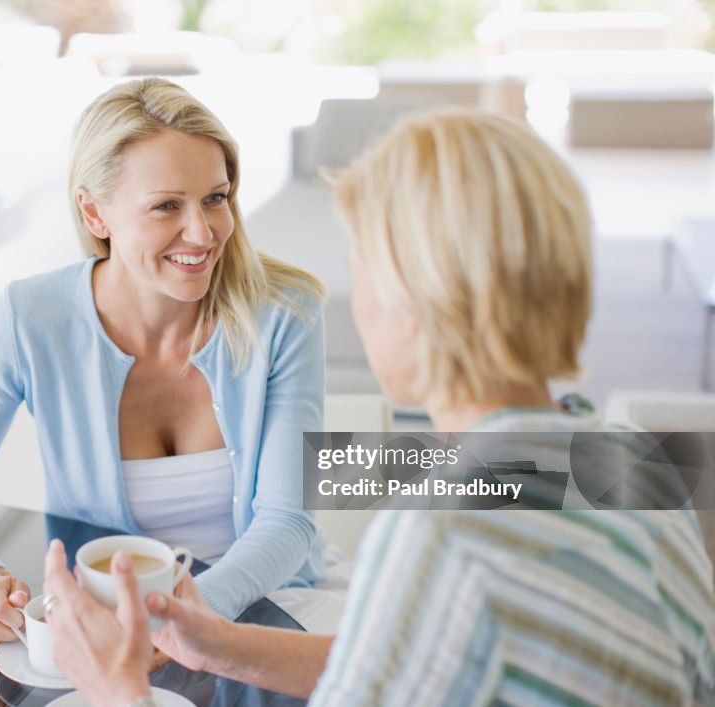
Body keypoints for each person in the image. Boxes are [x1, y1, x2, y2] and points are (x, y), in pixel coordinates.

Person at [41, 108, 715, 706]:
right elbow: (412, 655)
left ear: (417, 305)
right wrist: (217, 644)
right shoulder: (627, 459)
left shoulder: (444, 536)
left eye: (360, 268)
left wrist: (116, 689)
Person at [0, 77, 329, 655]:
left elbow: (288, 520)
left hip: (264, 609)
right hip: (105, 631)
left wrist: (190, 619)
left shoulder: (283, 314)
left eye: (215, 198)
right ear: (94, 212)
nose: (202, 233)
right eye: (166, 206)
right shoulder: (26, 319)